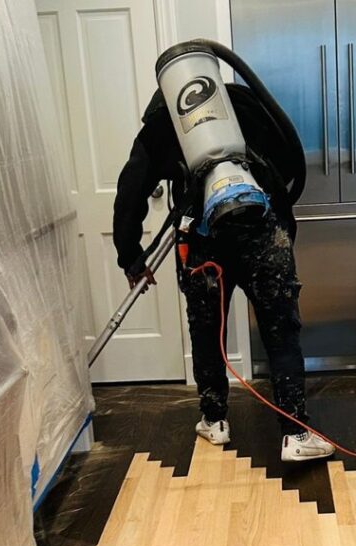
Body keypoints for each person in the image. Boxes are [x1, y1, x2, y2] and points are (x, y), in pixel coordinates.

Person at [112, 85, 334, 463]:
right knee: (280, 332)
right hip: (262, 233)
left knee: (207, 331)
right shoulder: (243, 103)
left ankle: (214, 420)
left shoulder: (164, 121)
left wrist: (131, 257)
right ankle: (296, 433)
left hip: (203, 241)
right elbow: (288, 159)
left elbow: (130, 191)